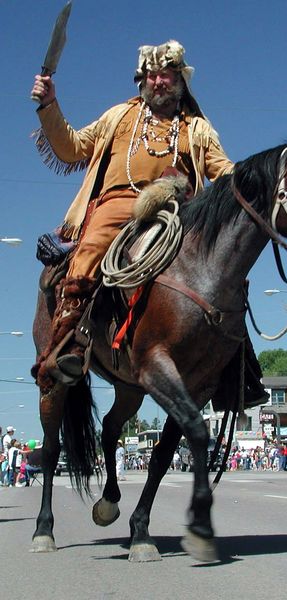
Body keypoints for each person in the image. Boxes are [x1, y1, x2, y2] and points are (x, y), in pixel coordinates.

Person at [30, 40, 268, 410]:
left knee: (225, 275)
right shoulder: (119, 117)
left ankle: (239, 374)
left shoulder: (197, 129)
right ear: (143, 79)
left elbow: (224, 172)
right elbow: (72, 147)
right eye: (152, 75)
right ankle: (67, 342)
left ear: (179, 80)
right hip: (118, 203)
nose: (158, 81)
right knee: (91, 248)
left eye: (166, 74)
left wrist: (259, 178)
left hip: (179, 213)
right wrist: (49, 105)